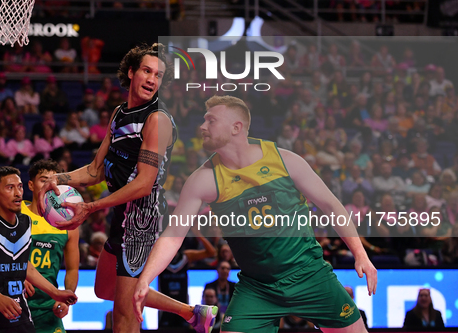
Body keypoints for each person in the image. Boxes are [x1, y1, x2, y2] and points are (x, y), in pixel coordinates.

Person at [133, 95, 377, 333]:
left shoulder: (285, 161)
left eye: (211, 120)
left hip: (309, 274)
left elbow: (331, 206)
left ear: (236, 127)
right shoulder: (203, 179)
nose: (202, 126)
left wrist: (360, 254)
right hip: (257, 287)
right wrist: (145, 279)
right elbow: (175, 234)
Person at [37, 43, 217, 333]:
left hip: (143, 220)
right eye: (146, 71)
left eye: (158, 75)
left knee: (124, 314)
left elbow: (144, 184)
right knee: (105, 288)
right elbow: (95, 170)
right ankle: (191, 312)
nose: (151, 79)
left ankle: (189, 314)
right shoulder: (120, 114)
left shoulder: (156, 119)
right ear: (131, 72)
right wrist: (57, 179)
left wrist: (91, 207)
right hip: (122, 213)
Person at [0, 166, 77, 332]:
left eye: (20, 187)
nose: (17, 193)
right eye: (10, 187)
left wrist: (54, 292)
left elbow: (25, 265)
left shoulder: (25, 223)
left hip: (21, 313)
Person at [22, 160, 80, 333]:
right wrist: (17, 274)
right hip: (15, 304)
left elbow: (72, 270)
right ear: (31, 185)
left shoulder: (68, 223)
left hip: (49, 307)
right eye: (43, 180)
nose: (49, 185)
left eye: (54, 181)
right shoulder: (16, 214)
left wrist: (65, 297)